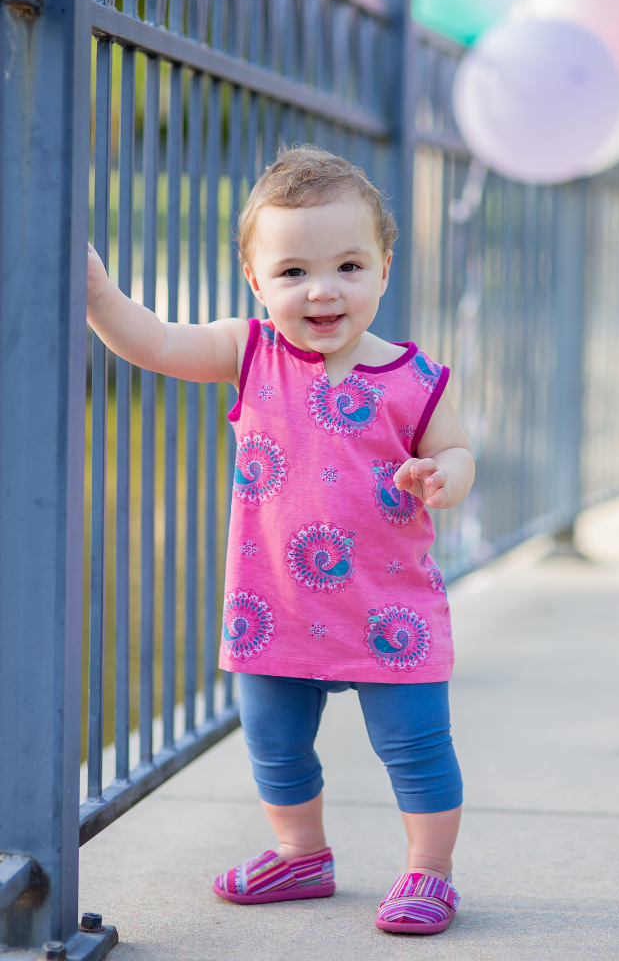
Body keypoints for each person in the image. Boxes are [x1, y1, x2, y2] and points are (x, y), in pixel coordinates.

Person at [86, 144, 475, 935]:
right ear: (257, 282)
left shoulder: (415, 377)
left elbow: (457, 450)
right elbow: (154, 341)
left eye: (348, 266)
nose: (322, 289)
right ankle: (301, 854)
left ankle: (428, 872)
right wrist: (94, 292)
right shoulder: (248, 352)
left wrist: (443, 477)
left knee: (416, 746)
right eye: (293, 272)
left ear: (384, 268)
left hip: (386, 609)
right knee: (274, 743)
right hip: (275, 607)